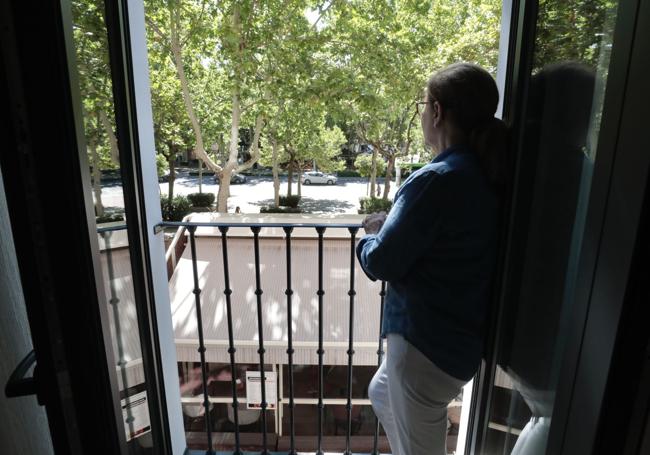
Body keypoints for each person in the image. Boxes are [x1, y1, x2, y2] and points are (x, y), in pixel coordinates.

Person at [356, 63, 508, 455]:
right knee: (381, 391)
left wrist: (370, 234)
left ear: (437, 111)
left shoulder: (436, 180)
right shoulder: (478, 174)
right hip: (453, 343)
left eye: (423, 105)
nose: (422, 113)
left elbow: (383, 262)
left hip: (424, 349)